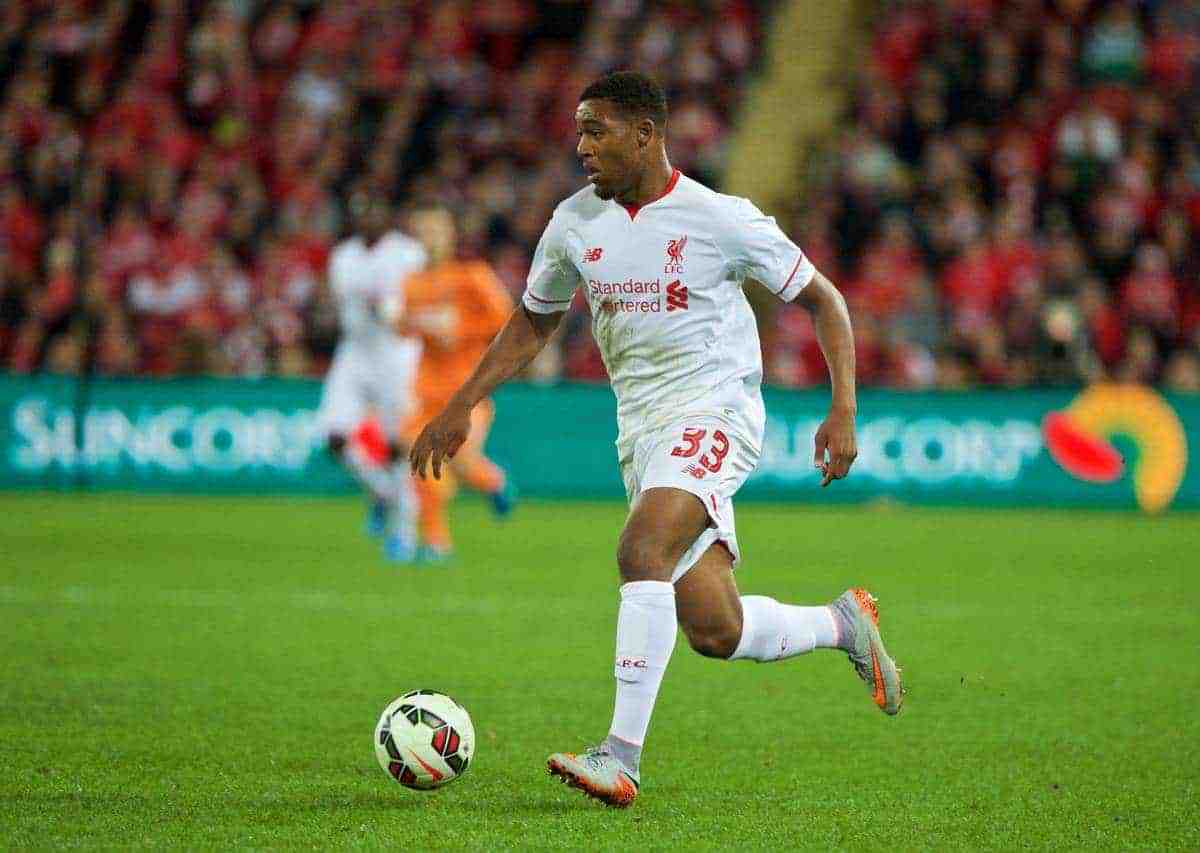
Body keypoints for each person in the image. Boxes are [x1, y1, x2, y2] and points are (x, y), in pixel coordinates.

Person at [410, 71, 903, 807]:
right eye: (579, 132)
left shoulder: (720, 218)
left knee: (640, 550)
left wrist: (844, 411)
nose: (582, 147)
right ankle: (842, 623)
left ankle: (620, 755)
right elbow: (536, 319)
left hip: (715, 412)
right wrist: (463, 401)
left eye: (596, 131)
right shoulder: (575, 222)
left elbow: (824, 300)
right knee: (714, 627)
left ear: (645, 134)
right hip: (640, 431)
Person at [400, 203, 518, 560]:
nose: (430, 239)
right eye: (424, 233)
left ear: (450, 234)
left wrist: (460, 329)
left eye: (436, 231)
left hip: (467, 393)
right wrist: (410, 323)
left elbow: (506, 320)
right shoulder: (412, 283)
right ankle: (436, 543)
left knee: (463, 461)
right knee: (420, 463)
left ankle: (493, 482)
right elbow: (403, 327)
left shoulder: (473, 276)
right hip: (426, 392)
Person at [318, 192, 425, 561]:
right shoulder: (343, 257)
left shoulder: (408, 253)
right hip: (355, 350)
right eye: (360, 213)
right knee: (333, 437)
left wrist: (395, 310)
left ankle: (405, 534)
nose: (367, 219)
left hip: (396, 352)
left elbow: (418, 302)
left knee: (397, 444)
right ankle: (381, 493)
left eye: (374, 211)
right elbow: (337, 306)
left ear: (388, 216)